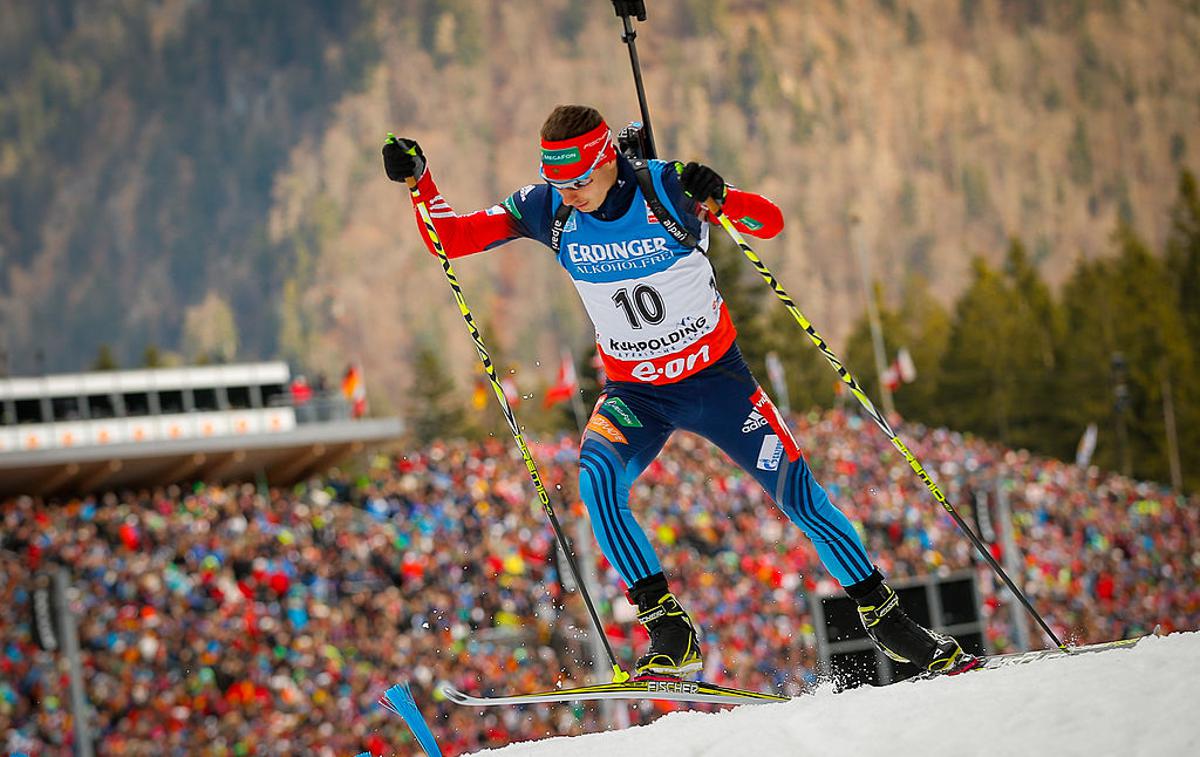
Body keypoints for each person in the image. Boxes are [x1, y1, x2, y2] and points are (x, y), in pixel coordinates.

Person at [383, 105, 976, 678]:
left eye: (579, 180)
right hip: (635, 394)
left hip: (717, 382)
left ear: (608, 157)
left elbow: (767, 222)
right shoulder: (549, 210)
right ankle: (668, 626)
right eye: (556, 181)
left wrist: (722, 195)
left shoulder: (666, 189)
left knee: (798, 495)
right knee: (595, 483)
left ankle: (887, 618)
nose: (569, 193)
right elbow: (450, 239)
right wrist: (419, 181)